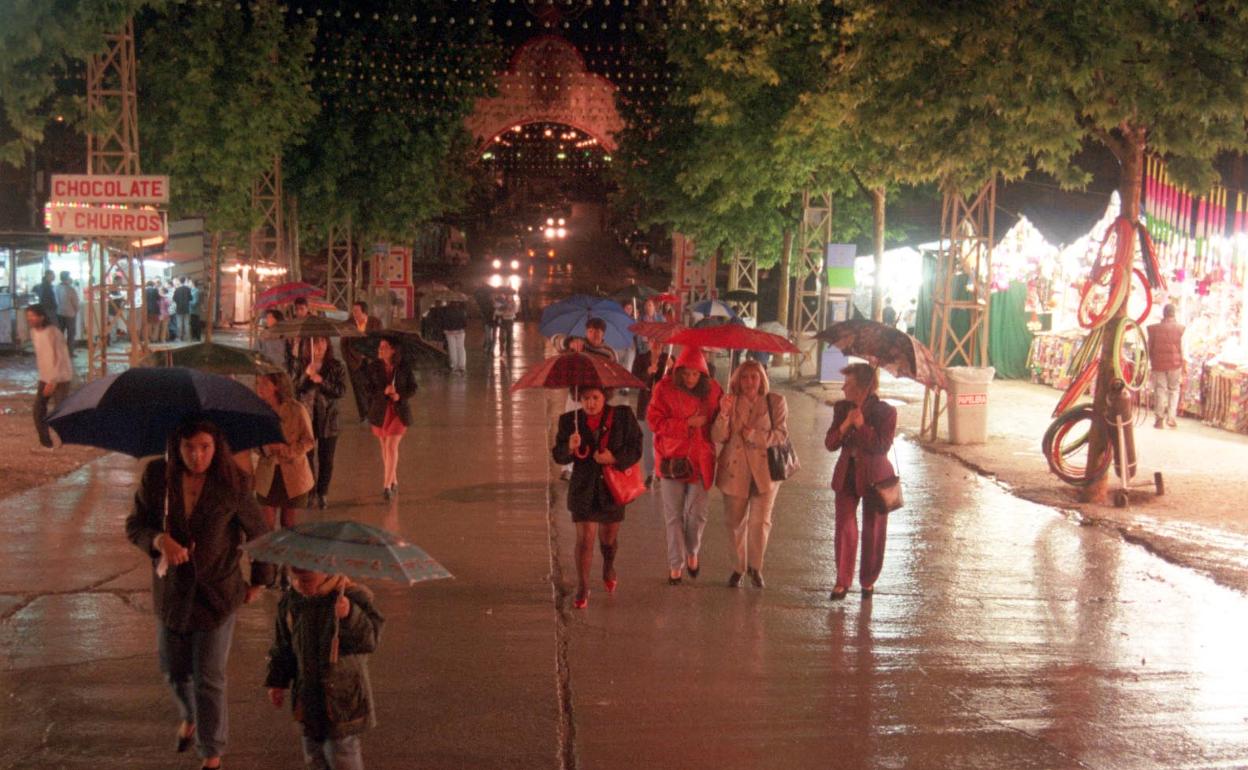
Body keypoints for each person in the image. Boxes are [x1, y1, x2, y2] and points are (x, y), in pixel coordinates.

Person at [125, 417, 274, 769]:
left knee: (209, 676)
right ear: (177, 447)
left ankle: (211, 752)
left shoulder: (233, 484)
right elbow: (135, 525)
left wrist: (259, 580)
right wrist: (159, 540)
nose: (197, 455)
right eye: (189, 448)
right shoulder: (157, 478)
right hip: (172, 594)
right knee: (172, 670)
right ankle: (190, 715)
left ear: (216, 446)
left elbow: (260, 533)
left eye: (205, 447)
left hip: (217, 595)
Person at [266, 567, 384, 770]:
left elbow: (369, 640)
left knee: (341, 752)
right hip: (308, 695)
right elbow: (284, 644)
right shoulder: (292, 601)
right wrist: (277, 680)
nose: (305, 588)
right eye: (300, 582)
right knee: (314, 752)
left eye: (309, 581)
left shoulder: (351, 596)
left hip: (341, 698)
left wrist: (349, 616)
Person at [551, 385, 643, 609]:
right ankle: (583, 586)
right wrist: (569, 447)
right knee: (585, 541)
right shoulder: (569, 421)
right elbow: (558, 456)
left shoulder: (622, 416)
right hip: (583, 490)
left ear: (605, 397)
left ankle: (608, 566)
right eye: (585, 398)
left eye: (595, 398)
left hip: (612, 490)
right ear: (578, 399)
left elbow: (636, 447)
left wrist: (614, 457)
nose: (590, 403)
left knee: (608, 540)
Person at [647, 346, 722, 584]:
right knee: (673, 516)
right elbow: (654, 421)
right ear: (678, 371)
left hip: (701, 462)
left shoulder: (714, 391)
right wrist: (686, 423)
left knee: (697, 515)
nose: (690, 379)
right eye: (686, 373)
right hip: (672, 460)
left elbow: (720, 427)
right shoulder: (663, 388)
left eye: (695, 374)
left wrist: (727, 411)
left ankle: (693, 551)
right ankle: (675, 564)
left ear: (703, 373)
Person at [711, 360, 788, 589]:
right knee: (734, 522)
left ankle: (756, 567)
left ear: (762, 379)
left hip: (765, 473)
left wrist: (754, 435)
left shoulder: (775, 402)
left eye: (754, 377)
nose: (749, 382)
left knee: (760, 522)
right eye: (744, 377)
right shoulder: (730, 401)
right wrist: (723, 414)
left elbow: (781, 435)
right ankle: (738, 567)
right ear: (737, 380)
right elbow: (717, 436)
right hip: (735, 470)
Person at [824, 363, 897, 601]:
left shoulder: (886, 412)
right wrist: (846, 424)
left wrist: (861, 426)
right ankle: (842, 581)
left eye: (849, 383)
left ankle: (868, 581)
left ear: (863, 387)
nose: (843, 387)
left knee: (873, 530)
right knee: (844, 525)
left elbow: (881, 446)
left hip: (876, 477)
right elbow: (831, 443)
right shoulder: (841, 408)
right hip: (847, 473)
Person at [254, 371, 316, 530]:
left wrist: (286, 449)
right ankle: (263, 555)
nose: (259, 387)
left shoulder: (296, 409)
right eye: (258, 383)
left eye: (265, 384)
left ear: (277, 387)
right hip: (267, 475)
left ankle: (285, 554)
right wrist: (266, 448)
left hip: (293, 475)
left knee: (288, 524)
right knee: (265, 525)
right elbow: (253, 442)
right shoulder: (257, 411)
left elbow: (309, 441)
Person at [296, 336, 347, 510]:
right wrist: (306, 375)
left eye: (323, 341)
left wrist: (320, 381)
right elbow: (295, 388)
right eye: (315, 342)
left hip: (328, 418)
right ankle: (310, 491)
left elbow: (340, 391)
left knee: (327, 459)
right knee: (308, 457)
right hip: (308, 417)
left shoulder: (336, 366)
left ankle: (322, 492)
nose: (319, 346)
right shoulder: (302, 364)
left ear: (327, 344)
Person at [366, 337, 417, 499]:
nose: (380, 350)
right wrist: (383, 392)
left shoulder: (403, 367)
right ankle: (393, 479)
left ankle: (386, 486)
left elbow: (413, 387)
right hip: (380, 412)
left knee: (391, 446)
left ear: (393, 350)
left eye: (384, 347)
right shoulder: (373, 367)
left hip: (398, 412)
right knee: (384, 446)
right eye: (379, 347)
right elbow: (367, 390)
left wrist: (399, 395)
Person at [26, 304, 72, 448]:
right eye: (28, 316)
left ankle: (66, 439)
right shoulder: (33, 332)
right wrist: (45, 378)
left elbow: (61, 357)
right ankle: (46, 442)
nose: (30, 319)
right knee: (38, 410)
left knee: (60, 412)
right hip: (45, 377)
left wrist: (53, 380)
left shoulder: (53, 332)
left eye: (33, 316)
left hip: (60, 377)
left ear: (42, 317)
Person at [632, 346, 670, 486]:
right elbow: (634, 381)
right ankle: (649, 473)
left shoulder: (668, 359)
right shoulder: (641, 359)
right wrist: (647, 373)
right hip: (645, 406)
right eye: (652, 339)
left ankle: (661, 470)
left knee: (662, 442)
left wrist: (671, 370)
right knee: (647, 442)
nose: (655, 343)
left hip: (664, 408)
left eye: (659, 340)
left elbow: (677, 382)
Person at [1147, 303, 1186, 429]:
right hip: (1175, 364)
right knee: (1174, 390)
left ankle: (1159, 419)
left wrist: (1149, 363)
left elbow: (1149, 348)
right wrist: (1184, 365)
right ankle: (1171, 418)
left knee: (1160, 389)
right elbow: (1184, 349)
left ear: (1164, 314)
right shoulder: (1181, 329)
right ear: (1174, 314)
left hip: (1158, 364)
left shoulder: (1153, 329)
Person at [344, 301, 383, 422]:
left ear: (364, 312)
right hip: (354, 362)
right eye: (353, 311)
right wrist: (349, 360)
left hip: (371, 360)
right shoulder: (348, 324)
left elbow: (380, 340)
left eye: (356, 311)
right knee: (358, 388)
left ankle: (372, 411)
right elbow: (344, 344)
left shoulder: (375, 323)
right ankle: (364, 414)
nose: (354, 313)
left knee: (372, 386)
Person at [286, 297, 313, 377]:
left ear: (307, 308)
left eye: (302, 309)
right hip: (294, 358)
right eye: (297, 309)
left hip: (307, 359)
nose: (299, 312)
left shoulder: (312, 323)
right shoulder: (293, 322)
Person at [442, 300, 468, 374]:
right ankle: (462, 366)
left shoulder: (446, 311)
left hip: (449, 332)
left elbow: (444, 321)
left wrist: (445, 329)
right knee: (461, 348)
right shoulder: (461, 311)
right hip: (460, 332)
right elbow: (465, 323)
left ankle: (454, 366)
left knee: (452, 348)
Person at [55, 271, 79, 349]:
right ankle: (70, 352)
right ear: (67, 278)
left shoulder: (57, 287)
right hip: (70, 314)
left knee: (60, 333)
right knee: (71, 334)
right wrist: (76, 310)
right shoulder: (70, 289)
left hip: (59, 313)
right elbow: (75, 303)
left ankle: (60, 350)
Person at [494, 290, 518, 357]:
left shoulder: (514, 303)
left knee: (509, 336)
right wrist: (504, 311)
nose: (509, 297)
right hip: (503, 321)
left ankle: (508, 350)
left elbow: (514, 311)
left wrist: (506, 312)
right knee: (502, 337)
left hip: (510, 321)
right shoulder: (503, 303)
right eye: (508, 296)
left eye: (510, 296)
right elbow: (498, 311)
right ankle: (501, 349)